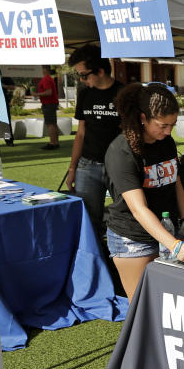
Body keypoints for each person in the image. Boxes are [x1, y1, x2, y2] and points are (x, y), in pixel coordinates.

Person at [104, 83, 184, 300]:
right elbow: (138, 209)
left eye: (172, 125)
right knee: (142, 306)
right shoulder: (121, 152)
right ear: (142, 118)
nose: (168, 131)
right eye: (162, 125)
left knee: (169, 303)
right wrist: (175, 246)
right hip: (133, 237)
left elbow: (175, 182)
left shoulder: (166, 143)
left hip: (168, 230)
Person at [67, 44, 123, 235]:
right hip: (87, 166)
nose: (82, 80)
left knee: (125, 218)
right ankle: (94, 262)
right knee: (89, 222)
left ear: (100, 71)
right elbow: (80, 133)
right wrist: (73, 168)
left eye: (84, 75)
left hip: (119, 166)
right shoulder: (84, 94)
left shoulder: (123, 94)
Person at [34, 65, 60, 150]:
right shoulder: (48, 78)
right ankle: (55, 142)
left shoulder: (46, 79)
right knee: (53, 123)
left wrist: (37, 94)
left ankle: (52, 143)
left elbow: (49, 92)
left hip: (48, 103)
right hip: (51, 103)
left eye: (41, 68)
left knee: (50, 124)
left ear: (45, 69)